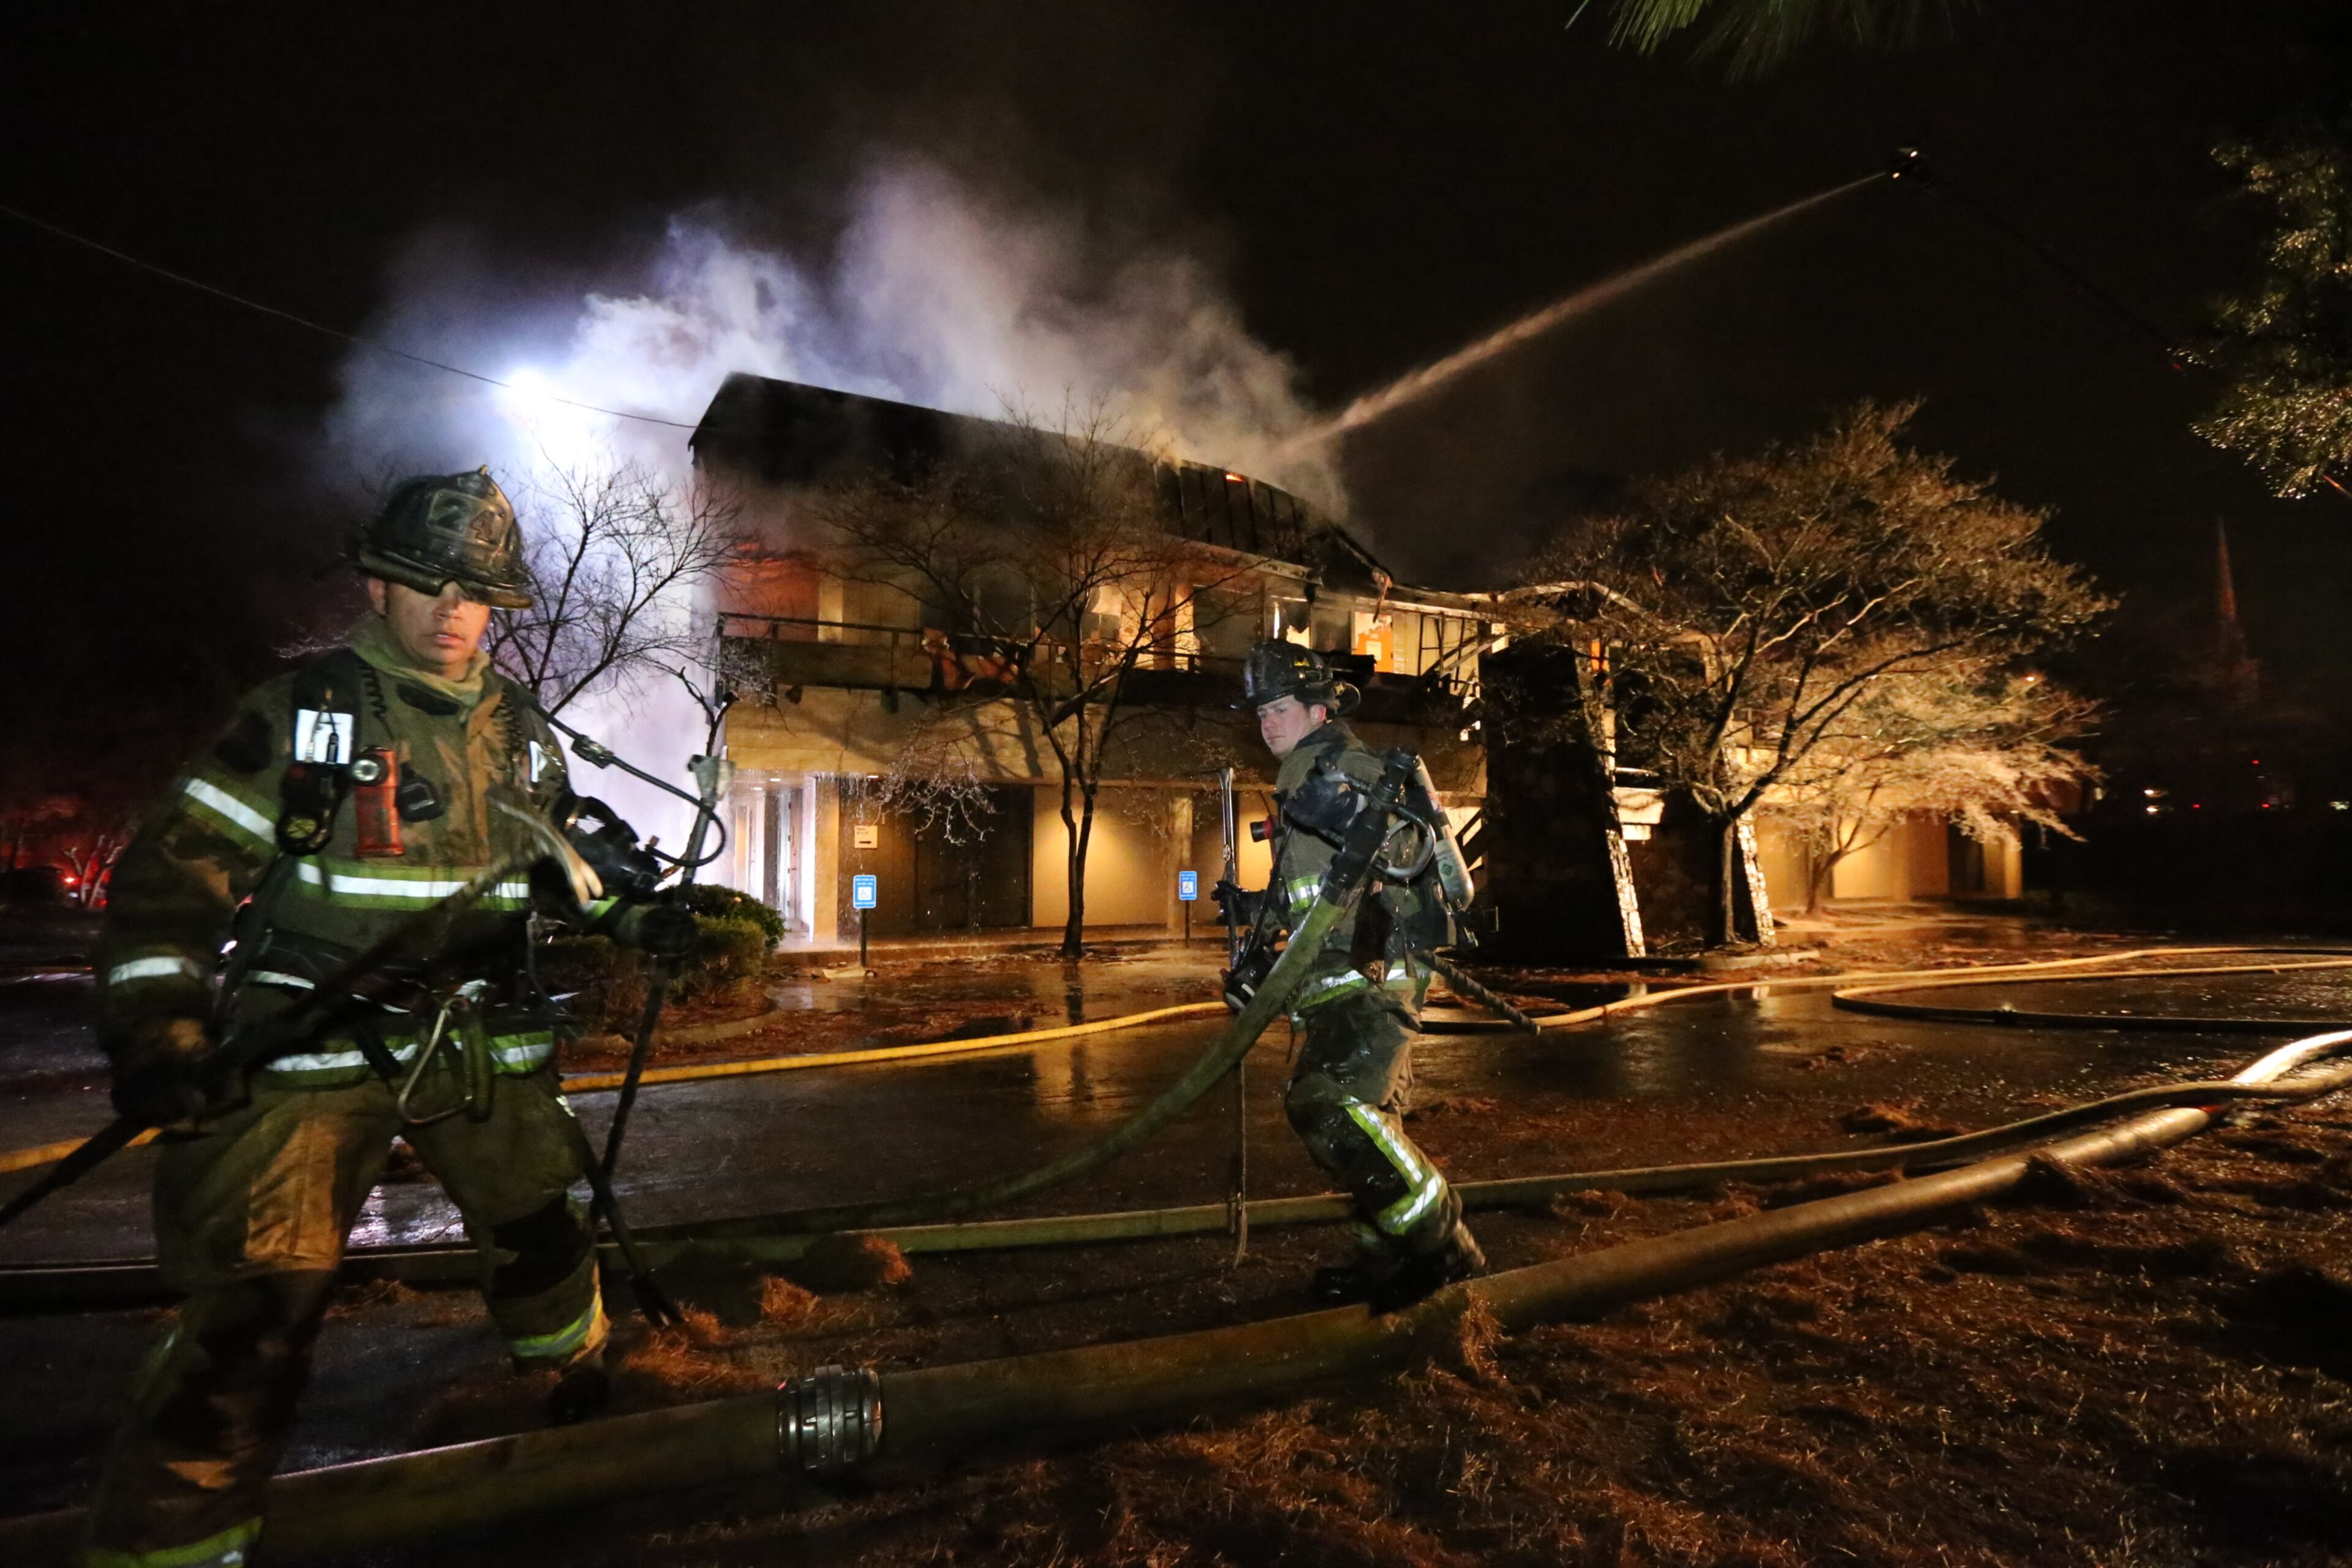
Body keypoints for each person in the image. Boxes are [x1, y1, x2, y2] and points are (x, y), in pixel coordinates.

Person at [85, 469, 692, 1568]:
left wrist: (637, 917)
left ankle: (573, 1378)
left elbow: (554, 863)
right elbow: (175, 876)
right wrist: (160, 1030)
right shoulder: (305, 715)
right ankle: (172, 1545)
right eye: (430, 584)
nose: (454, 610)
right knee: (256, 1313)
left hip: (480, 1040)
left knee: (544, 1232)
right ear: (378, 584)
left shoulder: (521, 729)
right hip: (313, 1046)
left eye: (476, 592)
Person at [1216, 641, 1485, 1308]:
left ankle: (1445, 1247)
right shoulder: (1303, 774)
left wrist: (1352, 816)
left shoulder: (1345, 764)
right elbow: (1318, 890)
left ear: (1319, 710)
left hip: (1371, 975)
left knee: (1327, 1106)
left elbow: (1410, 846)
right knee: (1371, 1123)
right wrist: (1254, 915)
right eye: (1261, 712)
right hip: (1337, 979)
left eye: (1280, 708)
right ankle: (1387, 1265)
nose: (1267, 723)